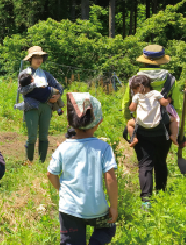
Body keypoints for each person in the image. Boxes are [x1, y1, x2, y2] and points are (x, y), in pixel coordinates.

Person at [48, 92, 118, 245]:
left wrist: (60, 189)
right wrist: (113, 207)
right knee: (108, 227)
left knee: (71, 242)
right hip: (97, 209)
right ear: (98, 121)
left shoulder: (63, 147)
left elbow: (51, 174)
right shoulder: (103, 148)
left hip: (69, 209)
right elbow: (110, 178)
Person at [123, 45, 178, 209]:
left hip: (141, 129)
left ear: (145, 61)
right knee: (161, 162)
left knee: (145, 164)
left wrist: (129, 124)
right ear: (161, 61)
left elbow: (127, 105)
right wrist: (178, 131)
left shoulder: (134, 80)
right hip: (164, 129)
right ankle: (161, 194)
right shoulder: (170, 79)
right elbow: (177, 108)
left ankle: (146, 199)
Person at [17, 46, 64, 164]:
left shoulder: (46, 75)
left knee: (44, 136)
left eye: (41, 57)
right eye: (36, 57)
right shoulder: (24, 74)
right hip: (31, 107)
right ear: (30, 59)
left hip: (46, 107)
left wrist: (58, 96)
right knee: (32, 136)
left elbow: (59, 87)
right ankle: (29, 161)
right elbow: (21, 90)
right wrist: (35, 85)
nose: (39, 60)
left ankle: (42, 162)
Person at [126, 75, 165, 148]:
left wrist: (131, 104)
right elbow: (164, 102)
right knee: (174, 119)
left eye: (134, 90)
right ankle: (174, 136)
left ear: (139, 88)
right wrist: (168, 100)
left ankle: (133, 138)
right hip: (156, 122)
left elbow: (132, 108)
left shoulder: (137, 96)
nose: (134, 92)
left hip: (141, 123)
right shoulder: (155, 93)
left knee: (130, 123)